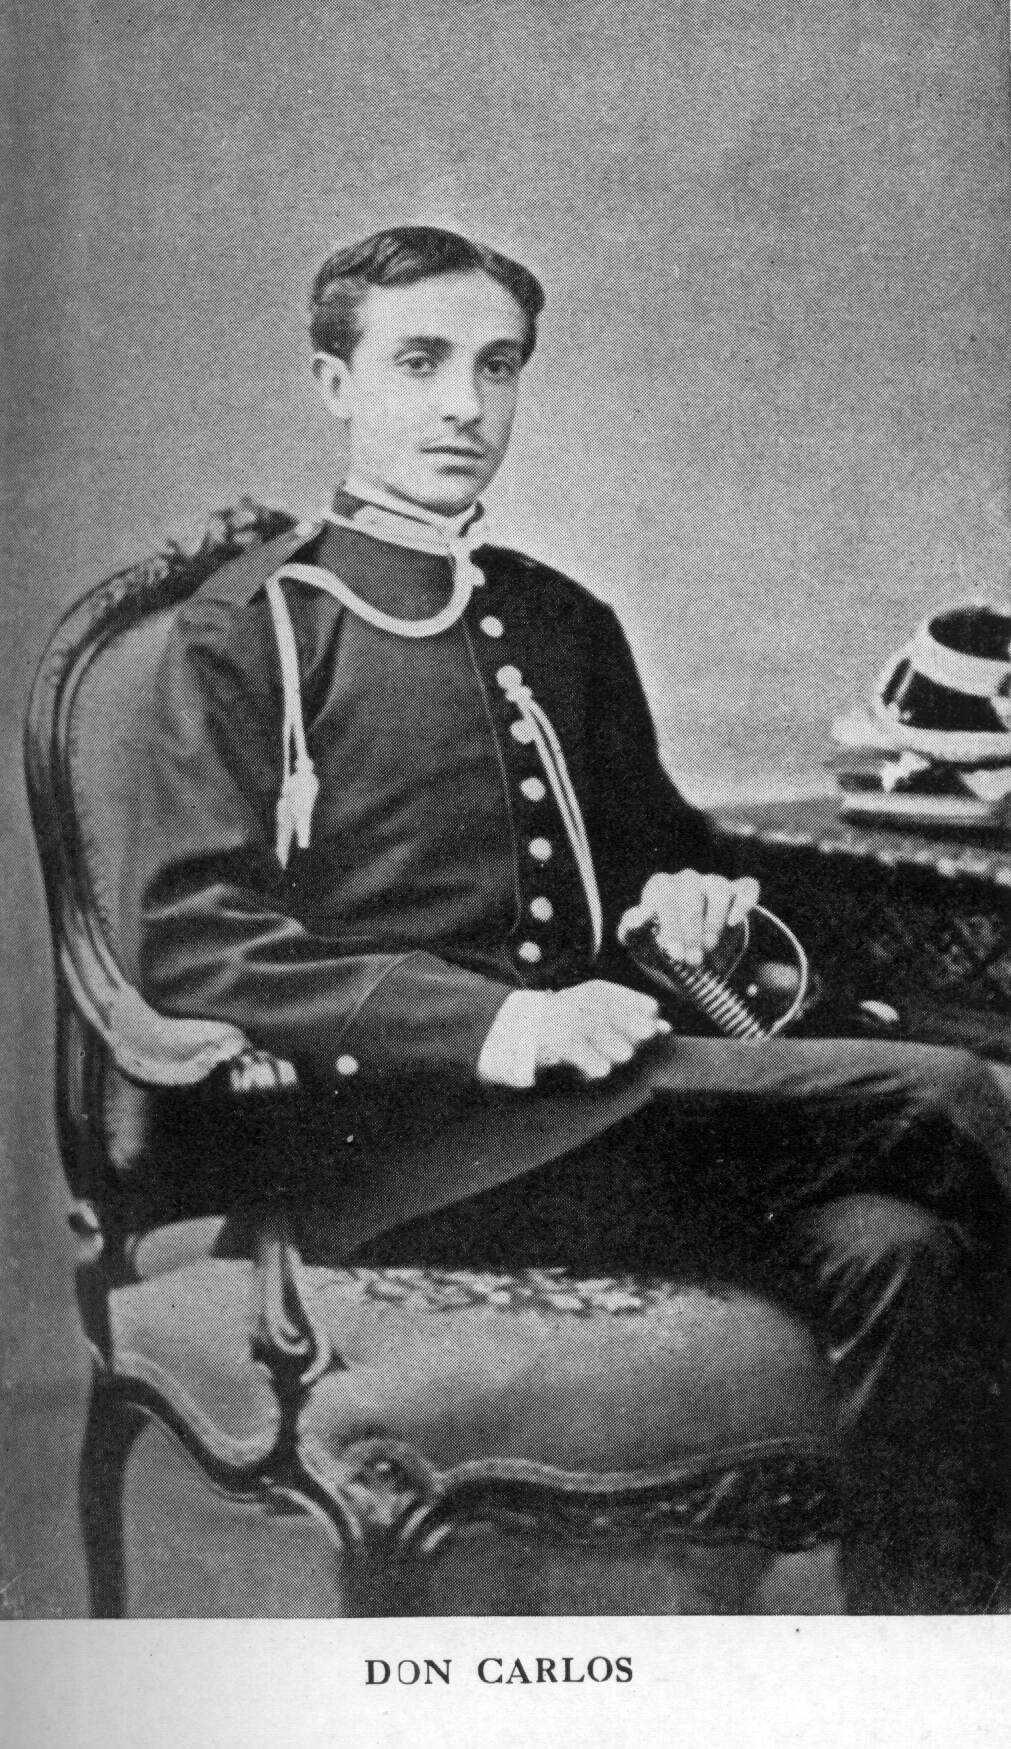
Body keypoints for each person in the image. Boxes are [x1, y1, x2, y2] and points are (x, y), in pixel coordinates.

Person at [120, 225, 1009, 1596]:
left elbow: (667, 861)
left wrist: (697, 902)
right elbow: (195, 938)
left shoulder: (559, 622)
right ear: (334, 383)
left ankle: (932, 1664)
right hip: (400, 1156)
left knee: (904, 1248)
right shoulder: (254, 634)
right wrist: (500, 1023)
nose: (466, 406)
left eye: (498, 366)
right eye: (421, 362)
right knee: (946, 1091)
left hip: (611, 1140)